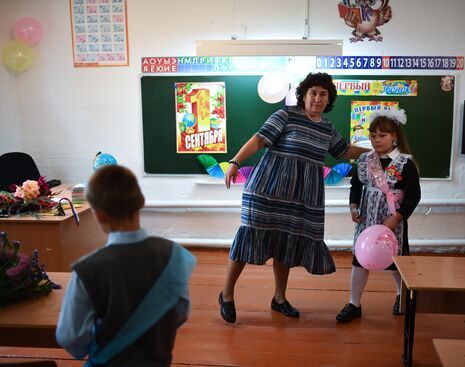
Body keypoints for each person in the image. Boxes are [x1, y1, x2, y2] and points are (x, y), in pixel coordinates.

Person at [219, 72, 368, 323]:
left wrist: (378, 152)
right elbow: (258, 140)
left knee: (286, 244)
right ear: (304, 95)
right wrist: (235, 161)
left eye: (323, 94)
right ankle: (227, 294)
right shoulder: (285, 115)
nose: (318, 98)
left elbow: (345, 151)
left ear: (329, 99)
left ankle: (279, 299)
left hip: (302, 196)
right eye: (313, 93)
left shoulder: (327, 128)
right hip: (268, 188)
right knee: (248, 239)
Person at [56, 165, 196, 365]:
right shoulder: (173, 255)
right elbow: (181, 312)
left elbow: (70, 337)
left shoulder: (87, 270)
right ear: (141, 201)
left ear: (99, 214)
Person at [336, 108, 421, 323]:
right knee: (359, 260)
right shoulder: (366, 160)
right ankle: (354, 303)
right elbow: (356, 186)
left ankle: (401, 296)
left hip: (392, 221)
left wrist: (397, 217)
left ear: (394, 136)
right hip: (367, 219)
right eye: (373, 135)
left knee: (396, 261)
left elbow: (413, 195)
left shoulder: (405, 163)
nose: (376, 140)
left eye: (382, 135)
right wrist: (354, 207)